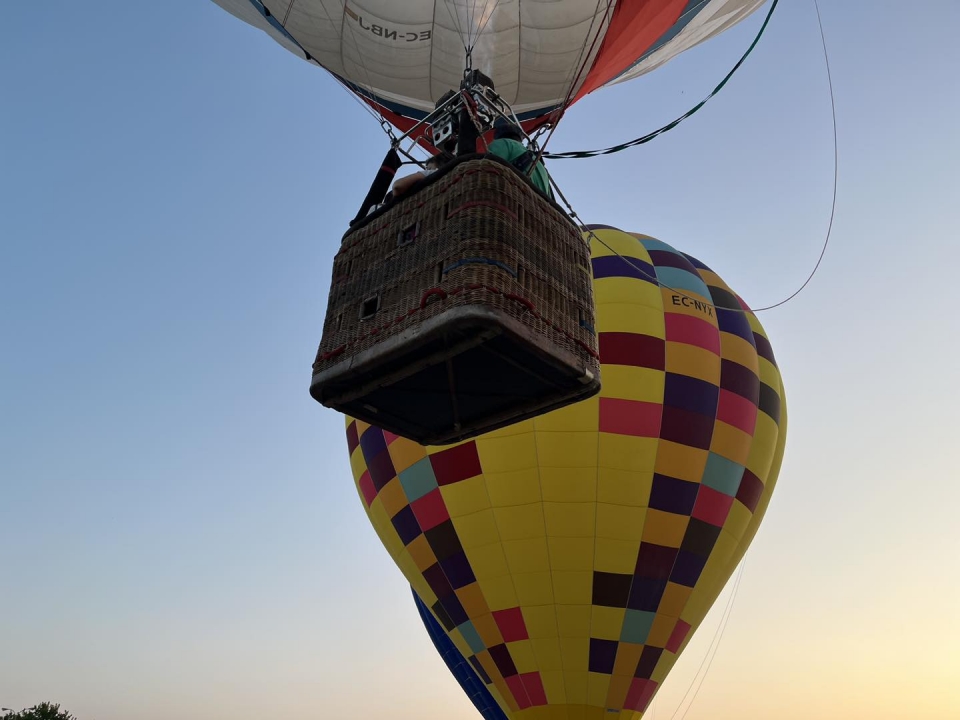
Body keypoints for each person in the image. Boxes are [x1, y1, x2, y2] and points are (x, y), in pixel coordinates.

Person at [487, 120, 554, 200]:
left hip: (516, 201)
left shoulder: (502, 143)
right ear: (521, 138)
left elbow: (489, 167)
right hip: (538, 206)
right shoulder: (540, 165)